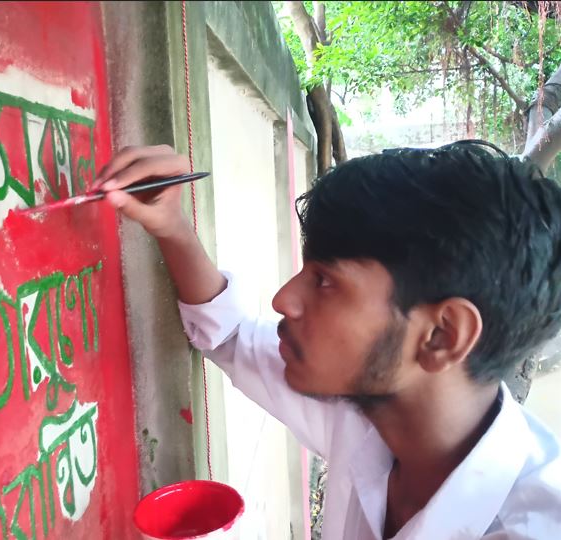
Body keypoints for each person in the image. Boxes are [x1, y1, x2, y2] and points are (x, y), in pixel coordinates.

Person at [95, 141, 561, 539]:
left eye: (324, 281)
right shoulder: (370, 409)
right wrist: (172, 225)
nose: (283, 299)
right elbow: (229, 335)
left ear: (442, 335)